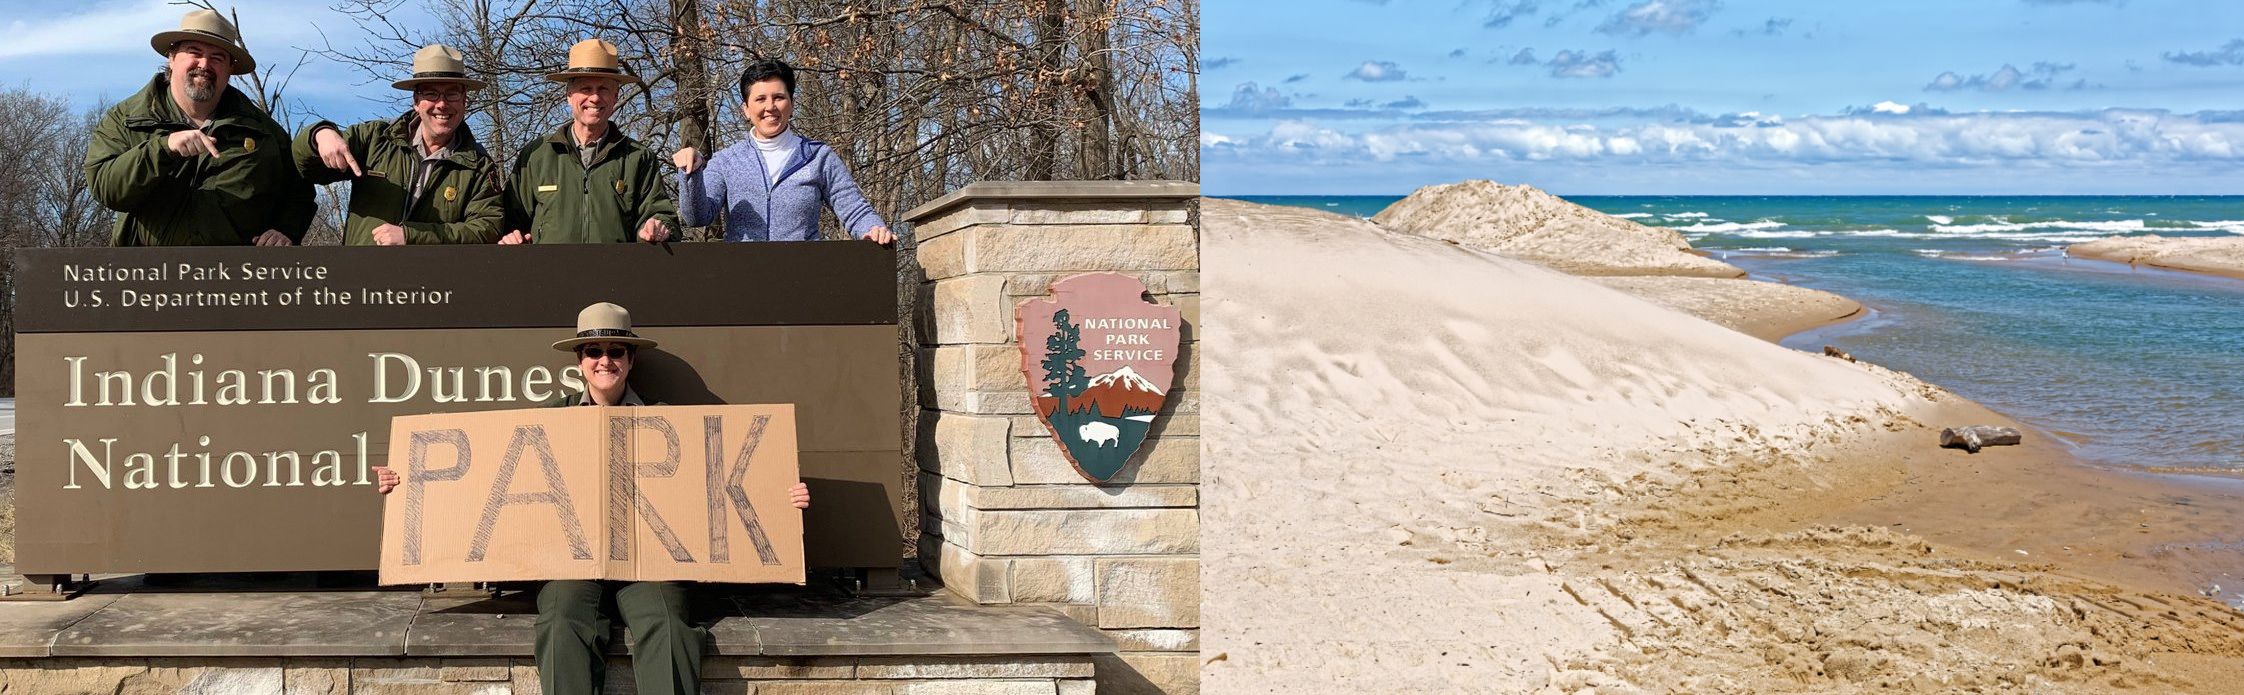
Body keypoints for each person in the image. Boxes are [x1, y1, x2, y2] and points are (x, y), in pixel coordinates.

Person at [375, 302, 812, 695]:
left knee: (669, 626)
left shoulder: (670, 422)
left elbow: (724, 483)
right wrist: (408, 483)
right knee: (563, 623)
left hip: (650, 563)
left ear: (631, 359)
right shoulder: (549, 421)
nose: (605, 360)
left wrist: (780, 499)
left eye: (616, 351)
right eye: (593, 351)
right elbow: (480, 483)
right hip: (571, 563)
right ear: (579, 361)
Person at [85, 9, 313, 246]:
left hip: (234, 277)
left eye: (217, 57)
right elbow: (105, 187)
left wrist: (285, 230)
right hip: (144, 276)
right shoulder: (126, 119)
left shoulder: (264, 131)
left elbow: (299, 194)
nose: (204, 64)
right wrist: (163, 148)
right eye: (194, 52)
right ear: (172, 57)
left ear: (230, 70)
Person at [292, 44, 504, 245]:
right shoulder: (375, 139)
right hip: (362, 277)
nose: (442, 104)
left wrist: (413, 237)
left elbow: (487, 228)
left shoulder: (479, 166)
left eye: (452, 93)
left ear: (464, 100)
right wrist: (319, 133)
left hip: (436, 282)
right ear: (416, 100)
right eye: (431, 93)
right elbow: (308, 169)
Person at [671, 59, 896, 245]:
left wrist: (874, 229)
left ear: (791, 103)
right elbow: (697, 217)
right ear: (746, 110)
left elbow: (854, 209)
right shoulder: (726, 161)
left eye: (778, 97)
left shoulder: (819, 157)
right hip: (741, 282)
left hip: (804, 282)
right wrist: (690, 173)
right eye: (760, 99)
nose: (770, 107)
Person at [500, 39, 677, 244]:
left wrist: (658, 227)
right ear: (569, 95)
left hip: (617, 274)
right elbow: (510, 221)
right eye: (586, 89)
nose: (594, 98)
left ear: (615, 96)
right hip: (549, 274)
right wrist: (512, 236)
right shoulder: (536, 155)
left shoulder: (638, 157)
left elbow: (661, 214)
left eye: (603, 89)